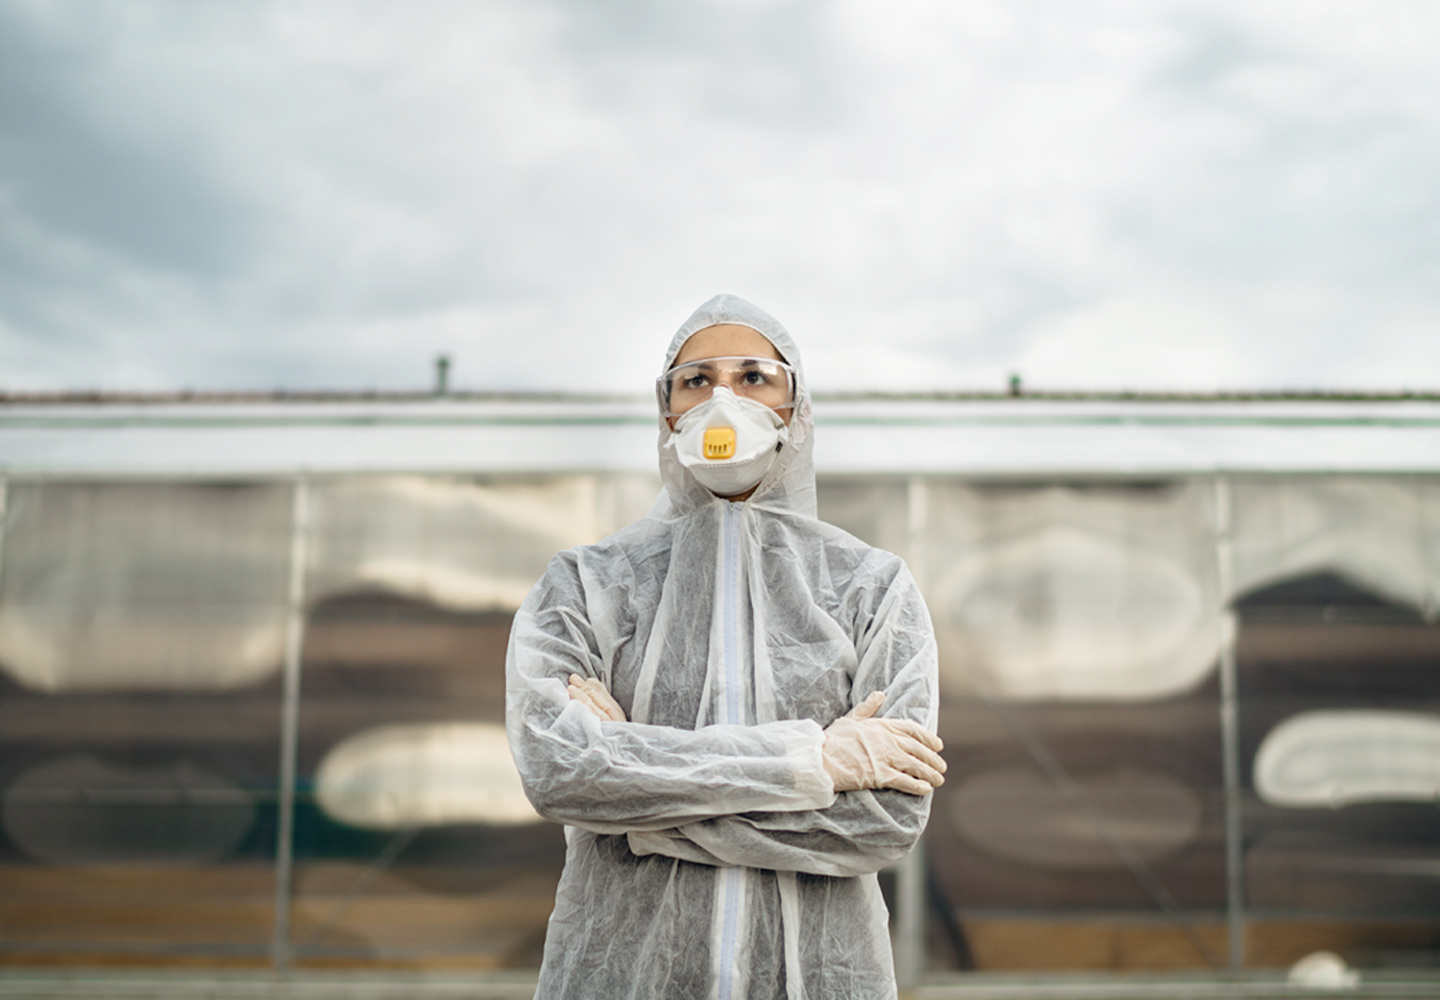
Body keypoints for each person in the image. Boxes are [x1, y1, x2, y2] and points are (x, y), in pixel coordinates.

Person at [506, 294, 945, 1000]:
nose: (722, 401)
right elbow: (560, 772)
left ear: (794, 411)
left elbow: (883, 821)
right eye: (697, 381)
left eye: (753, 378)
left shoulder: (872, 586)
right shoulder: (586, 585)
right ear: (668, 412)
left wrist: (637, 801)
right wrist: (814, 760)